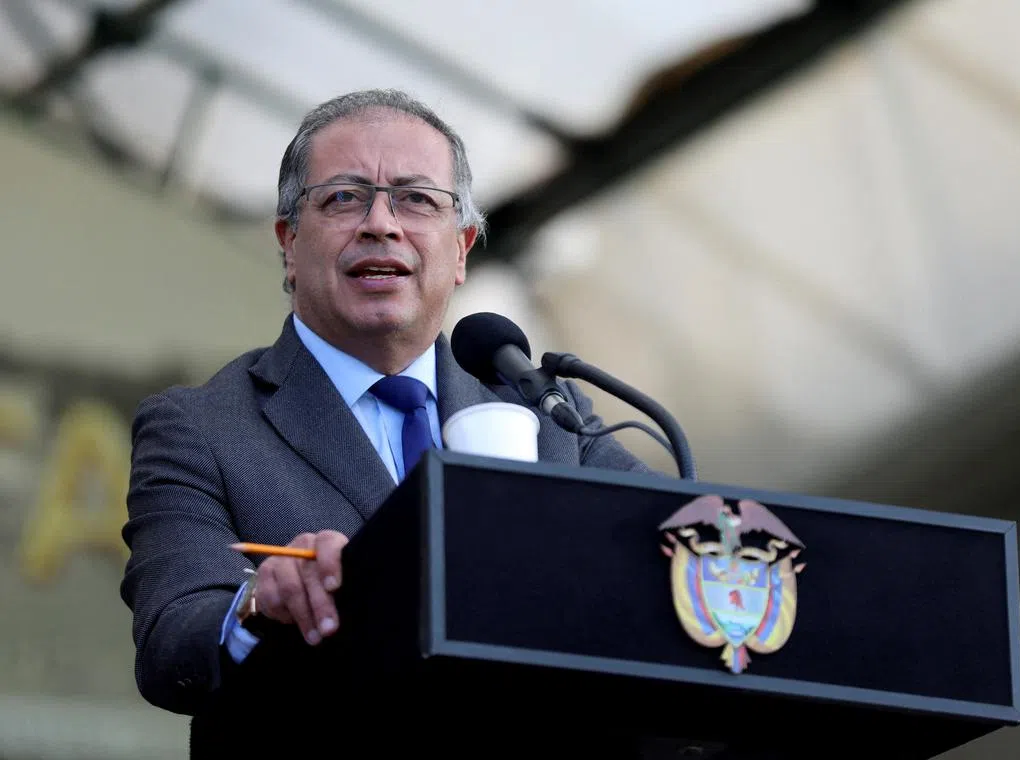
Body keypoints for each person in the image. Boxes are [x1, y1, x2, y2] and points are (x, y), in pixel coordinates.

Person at [118, 89, 650, 748]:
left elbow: (671, 544)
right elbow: (173, 639)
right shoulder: (199, 428)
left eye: (416, 199)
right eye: (344, 197)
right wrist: (258, 607)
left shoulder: (546, 412)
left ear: (461, 249)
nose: (380, 224)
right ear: (289, 243)